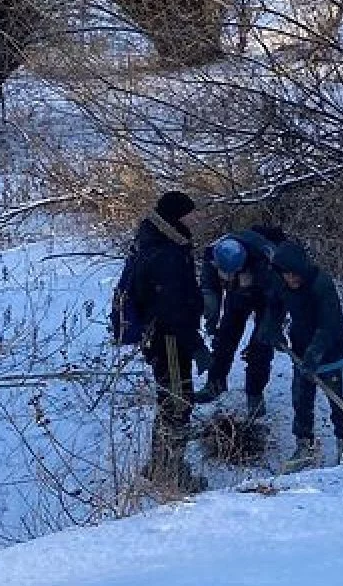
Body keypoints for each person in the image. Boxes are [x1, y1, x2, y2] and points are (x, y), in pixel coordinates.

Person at [130, 190, 210, 493]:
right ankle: (170, 472)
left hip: (165, 338)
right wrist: (198, 346)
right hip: (170, 342)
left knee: (169, 400)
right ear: (177, 217)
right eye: (191, 213)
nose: (196, 217)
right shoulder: (166, 254)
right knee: (177, 402)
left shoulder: (161, 241)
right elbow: (173, 311)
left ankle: (158, 464)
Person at [267, 240, 343, 470]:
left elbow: (329, 324)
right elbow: (273, 308)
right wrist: (272, 329)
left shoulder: (321, 284)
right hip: (301, 349)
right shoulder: (280, 283)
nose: (292, 280)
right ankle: (304, 445)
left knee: (338, 402)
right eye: (287, 275)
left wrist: (315, 354)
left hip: (332, 352)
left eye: (295, 275)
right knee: (301, 400)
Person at [195, 226, 286, 417]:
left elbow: (276, 300)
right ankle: (215, 384)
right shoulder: (213, 254)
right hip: (237, 295)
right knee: (224, 338)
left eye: (235, 272)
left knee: (261, 346)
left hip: (266, 296)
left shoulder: (266, 258)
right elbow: (210, 290)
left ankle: (255, 394)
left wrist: (272, 328)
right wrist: (211, 323)